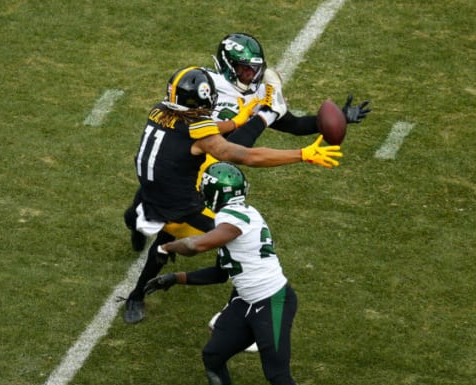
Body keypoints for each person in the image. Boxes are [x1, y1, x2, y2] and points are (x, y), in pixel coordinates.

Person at [120, 65, 342, 324]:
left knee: (143, 220)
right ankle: (140, 295)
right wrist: (301, 155)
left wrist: (237, 121)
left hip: (150, 187)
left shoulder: (159, 109)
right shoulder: (197, 131)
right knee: (233, 244)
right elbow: (243, 155)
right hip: (179, 204)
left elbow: (205, 125)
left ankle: (137, 229)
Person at [124, 32, 371, 252]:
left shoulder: (259, 92)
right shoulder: (205, 87)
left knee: (174, 223)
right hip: (186, 160)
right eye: (244, 69)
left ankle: (147, 270)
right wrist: (265, 114)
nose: (251, 75)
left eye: (254, 69)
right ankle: (138, 229)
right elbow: (235, 147)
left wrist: (334, 119)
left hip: (205, 162)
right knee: (141, 212)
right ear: (228, 66)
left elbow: (293, 125)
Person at [144, 162, 307, 385]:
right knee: (213, 355)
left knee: (277, 374)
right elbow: (220, 273)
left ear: (214, 193)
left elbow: (196, 245)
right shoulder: (237, 216)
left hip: (272, 301)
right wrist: (175, 278)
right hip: (246, 301)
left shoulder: (232, 218)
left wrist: (166, 247)